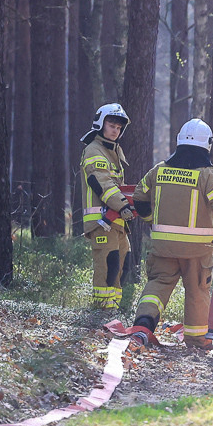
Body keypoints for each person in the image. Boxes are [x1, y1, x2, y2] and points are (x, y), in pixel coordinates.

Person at [127, 119, 213, 350]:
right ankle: (196, 341)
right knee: (197, 291)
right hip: (197, 251)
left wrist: (151, 220)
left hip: (163, 247)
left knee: (157, 286)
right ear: (208, 145)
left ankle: (142, 328)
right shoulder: (209, 175)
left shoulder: (159, 170)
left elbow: (139, 198)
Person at [80, 103, 135, 310]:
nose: (115, 130)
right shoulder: (94, 150)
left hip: (117, 221)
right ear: (100, 124)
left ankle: (113, 311)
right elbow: (102, 183)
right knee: (107, 265)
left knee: (122, 264)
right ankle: (101, 311)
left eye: (119, 128)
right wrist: (122, 205)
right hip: (102, 221)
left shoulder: (113, 151)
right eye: (111, 125)